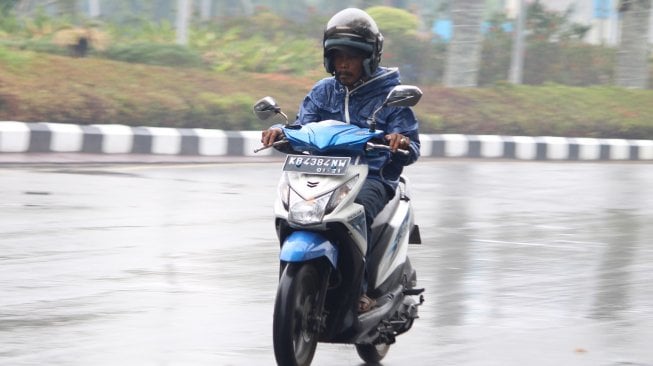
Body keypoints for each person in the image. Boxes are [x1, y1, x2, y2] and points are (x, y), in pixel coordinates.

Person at [260, 7, 420, 312]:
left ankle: (363, 290)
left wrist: (399, 140)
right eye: (338, 56)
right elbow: (301, 127)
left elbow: (410, 146)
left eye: (352, 56)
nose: (343, 63)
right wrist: (279, 132)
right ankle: (297, 287)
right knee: (289, 210)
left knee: (359, 212)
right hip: (321, 173)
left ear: (370, 57)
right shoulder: (323, 92)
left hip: (373, 175)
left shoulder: (390, 95)